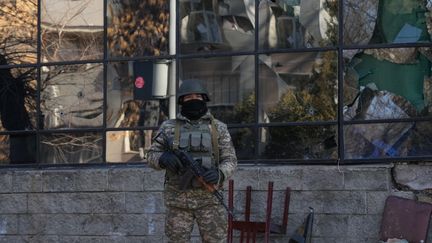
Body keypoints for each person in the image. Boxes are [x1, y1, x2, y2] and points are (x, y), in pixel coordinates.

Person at [147, 79, 237, 243]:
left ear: (204, 99)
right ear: (182, 101)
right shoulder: (168, 127)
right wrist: (163, 158)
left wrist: (220, 173)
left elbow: (230, 159)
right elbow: (151, 155)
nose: (193, 100)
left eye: (197, 96)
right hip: (178, 202)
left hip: (210, 201)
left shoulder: (219, 128)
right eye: (188, 98)